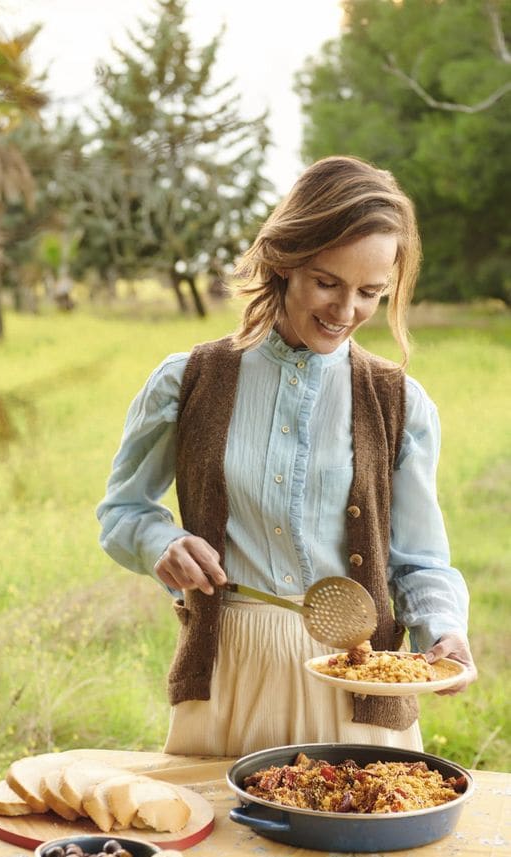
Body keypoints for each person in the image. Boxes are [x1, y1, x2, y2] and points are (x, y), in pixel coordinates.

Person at [97, 155, 477, 758]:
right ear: (285, 261)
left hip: (361, 679)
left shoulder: (401, 403)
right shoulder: (187, 381)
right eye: (328, 282)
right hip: (228, 669)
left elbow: (418, 558)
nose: (346, 311)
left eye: (371, 293)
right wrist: (160, 544)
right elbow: (122, 512)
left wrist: (443, 632)